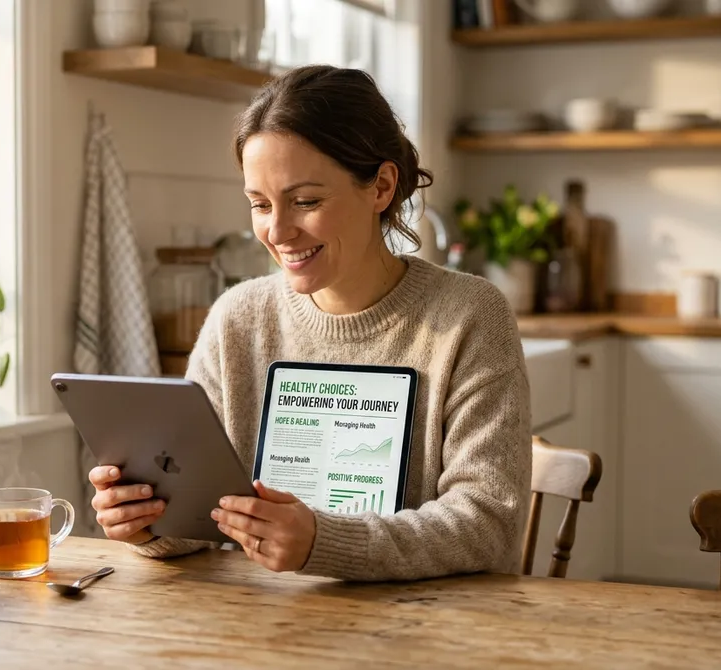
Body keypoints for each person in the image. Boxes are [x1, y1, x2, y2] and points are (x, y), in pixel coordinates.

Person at [89, 64, 531, 582]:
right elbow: (207, 509)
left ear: (382, 187)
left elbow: (487, 521)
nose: (278, 231)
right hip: (260, 628)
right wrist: (148, 521)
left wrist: (326, 543)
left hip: (426, 631)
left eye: (306, 201)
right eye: (259, 204)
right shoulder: (237, 319)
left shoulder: (470, 316)